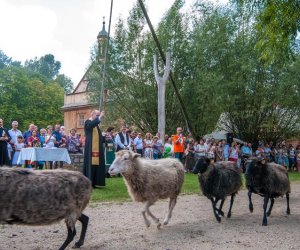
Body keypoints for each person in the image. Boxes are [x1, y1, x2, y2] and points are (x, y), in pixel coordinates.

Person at [83, 110, 106, 188]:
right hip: (90, 148)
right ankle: (89, 182)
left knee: (96, 165)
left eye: (98, 115)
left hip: (97, 149)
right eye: (97, 115)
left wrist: (104, 137)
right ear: (92, 115)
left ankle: (95, 182)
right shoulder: (88, 122)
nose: (98, 117)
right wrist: (99, 118)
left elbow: (99, 137)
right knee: (91, 165)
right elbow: (90, 125)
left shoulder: (96, 126)